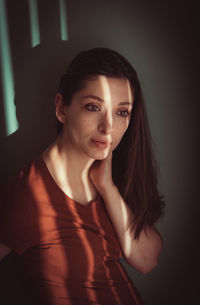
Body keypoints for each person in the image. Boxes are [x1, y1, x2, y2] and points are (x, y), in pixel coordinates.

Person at [0, 48, 165, 305]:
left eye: (122, 112)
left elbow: (147, 260)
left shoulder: (109, 178)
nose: (108, 128)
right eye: (93, 107)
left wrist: (107, 187)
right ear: (61, 109)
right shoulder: (27, 195)